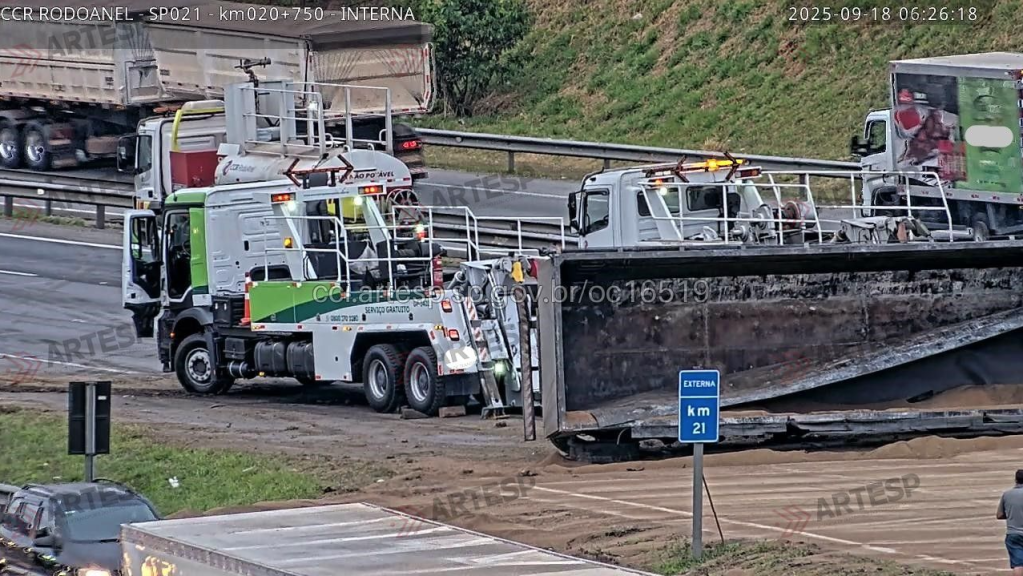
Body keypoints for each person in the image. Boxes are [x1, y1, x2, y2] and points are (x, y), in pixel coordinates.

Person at [997, 469, 1023, 575]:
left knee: (1018, 564)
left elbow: (999, 515)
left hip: (1013, 533)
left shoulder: (1007, 494)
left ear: (1015, 480)